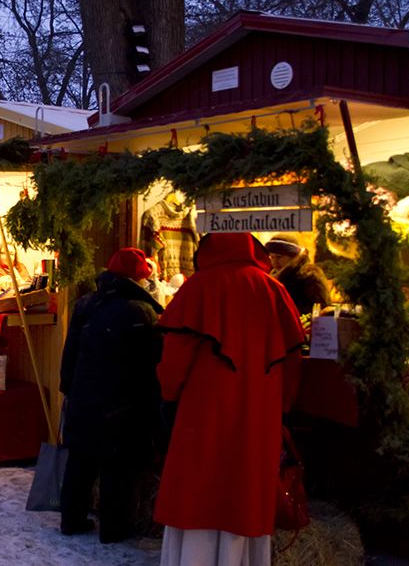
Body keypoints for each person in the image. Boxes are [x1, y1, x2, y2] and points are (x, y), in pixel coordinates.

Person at [155, 233, 304, 566]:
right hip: (258, 413)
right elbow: (292, 361)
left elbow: (174, 361)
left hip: (203, 410)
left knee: (198, 491)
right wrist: (281, 406)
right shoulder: (273, 289)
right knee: (247, 492)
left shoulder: (197, 287)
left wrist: (169, 395)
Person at [59, 247, 164, 543]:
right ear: (138, 278)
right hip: (122, 402)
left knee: (80, 462)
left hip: (83, 395)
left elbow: (70, 353)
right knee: (118, 468)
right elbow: (150, 366)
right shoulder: (143, 312)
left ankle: (72, 519)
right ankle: (114, 529)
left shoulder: (86, 304)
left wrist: (68, 388)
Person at [265, 232, 333, 315]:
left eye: (279, 257)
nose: (274, 262)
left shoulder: (309, 275)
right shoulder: (271, 276)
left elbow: (319, 307)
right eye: (272, 257)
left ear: (293, 256)